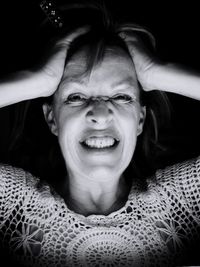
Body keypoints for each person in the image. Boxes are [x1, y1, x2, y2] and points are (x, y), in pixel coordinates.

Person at [0, 1, 200, 266]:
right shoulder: (10, 209)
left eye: (120, 96)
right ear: (52, 118)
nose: (100, 114)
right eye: (76, 96)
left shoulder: (184, 205)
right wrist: (39, 79)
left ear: (139, 118)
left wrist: (157, 73)